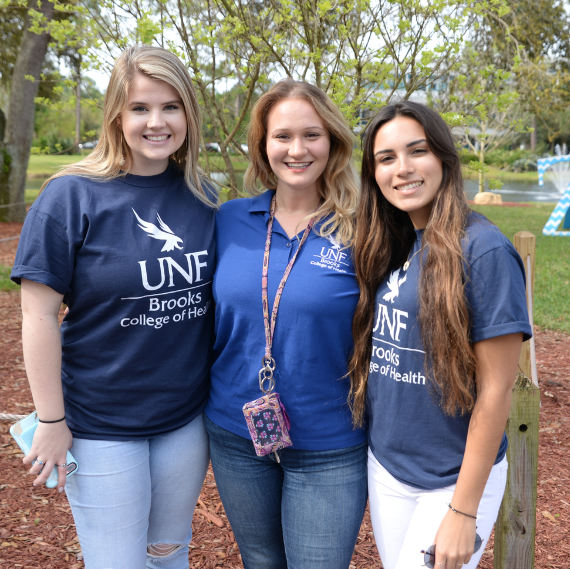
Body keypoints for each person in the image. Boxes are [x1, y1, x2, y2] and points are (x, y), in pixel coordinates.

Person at [10, 45, 217, 569]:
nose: (157, 122)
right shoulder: (71, 196)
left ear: (188, 115)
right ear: (116, 116)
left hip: (184, 421)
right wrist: (51, 419)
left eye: (171, 107)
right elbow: (37, 316)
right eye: (140, 108)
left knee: (169, 553)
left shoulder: (203, 195)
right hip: (100, 423)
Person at [348, 101, 532, 569]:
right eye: (386, 158)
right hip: (389, 468)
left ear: (444, 160)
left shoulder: (484, 249)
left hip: (452, 480)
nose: (403, 169)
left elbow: (497, 388)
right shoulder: (393, 241)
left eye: (417, 151)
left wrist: (463, 509)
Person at [204, 79, 366, 569]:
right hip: (235, 433)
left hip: (330, 442)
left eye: (312, 135)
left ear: (333, 142)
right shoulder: (227, 220)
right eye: (282, 137)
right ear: (263, 145)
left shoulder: (365, 228)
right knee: (260, 560)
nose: (297, 150)